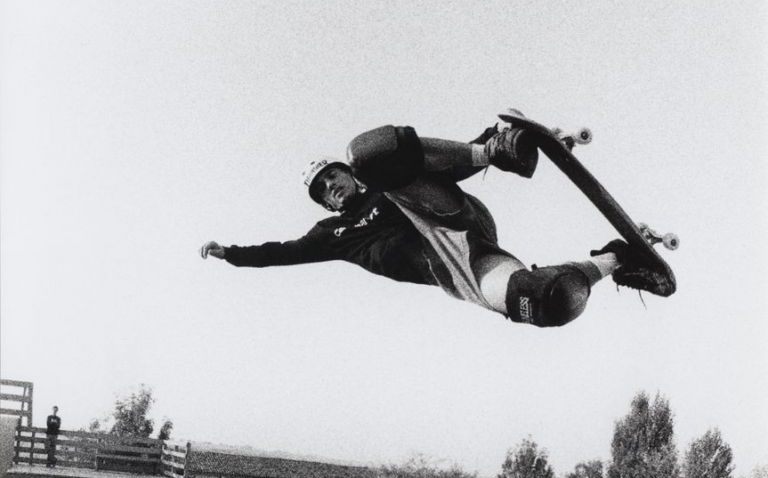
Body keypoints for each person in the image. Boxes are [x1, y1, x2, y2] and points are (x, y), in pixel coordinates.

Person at [201, 112, 673, 329]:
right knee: (546, 301)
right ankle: (619, 259)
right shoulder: (332, 236)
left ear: (344, 176)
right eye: (323, 191)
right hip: (462, 267)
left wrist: (491, 146)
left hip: (447, 216)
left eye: (333, 177)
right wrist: (232, 256)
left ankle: (497, 148)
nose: (332, 187)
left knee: (376, 155)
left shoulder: (375, 181)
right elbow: (282, 254)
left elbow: (435, 168)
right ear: (324, 205)